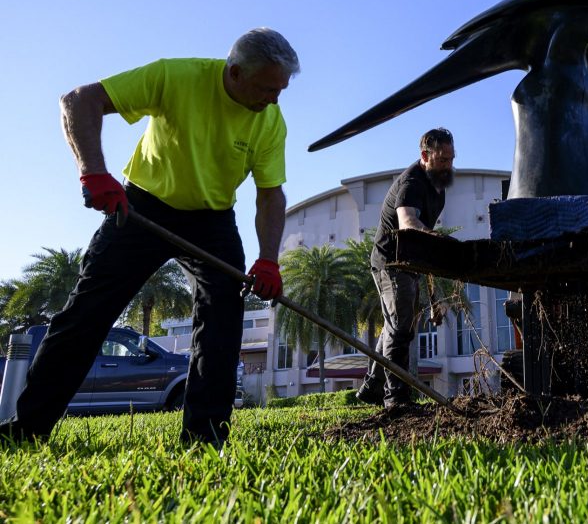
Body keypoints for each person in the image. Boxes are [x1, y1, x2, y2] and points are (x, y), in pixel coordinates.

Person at [1, 28, 299, 445]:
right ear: (234, 73)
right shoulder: (175, 77)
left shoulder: (270, 121)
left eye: (280, 90)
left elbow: (270, 194)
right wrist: (93, 172)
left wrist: (268, 259)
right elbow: (80, 100)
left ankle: (205, 436)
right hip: (143, 206)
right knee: (87, 312)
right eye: (268, 88)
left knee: (223, 321)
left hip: (212, 220)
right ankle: (27, 428)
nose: (274, 99)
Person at [356, 128, 455, 411]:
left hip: (410, 263)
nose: (448, 165)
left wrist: (435, 297)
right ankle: (395, 398)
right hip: (390, 261)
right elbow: (408, 224)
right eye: (442, 159)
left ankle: (371, 388)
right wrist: (441, 241)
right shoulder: (412, 182)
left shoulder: (438, 189)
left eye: (451, 159)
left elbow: (425, 248)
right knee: (401, 327)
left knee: (395, 325)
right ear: (425, 156)